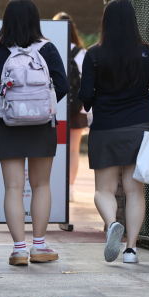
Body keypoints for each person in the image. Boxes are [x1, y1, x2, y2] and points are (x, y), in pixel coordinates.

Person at [78, 0, 149, 264]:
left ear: (105, 22)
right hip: (139, 129)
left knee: (104, 190)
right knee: (134, 191)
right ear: (133, 22)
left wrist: (97, 101)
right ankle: (130, 249)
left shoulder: (94, 54)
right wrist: (142, 97)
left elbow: (85, 95)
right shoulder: (148, 54)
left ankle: (111, 224)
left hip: (106, 128)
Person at [0, 0, 68, 266]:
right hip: (42, 126)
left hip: (8, 126)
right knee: (41, 185)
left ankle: (19, 249)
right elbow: (63, 86)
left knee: (13, 188)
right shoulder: (48, 49)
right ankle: (39, 246)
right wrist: (41, 107)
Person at [52, 12, 87, 202]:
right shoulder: (81, 54)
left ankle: (54, 186)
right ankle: (70, 189)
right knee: (73, 149)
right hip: (77, 108)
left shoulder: (51, 49)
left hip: (55, 105)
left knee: (55, 147)